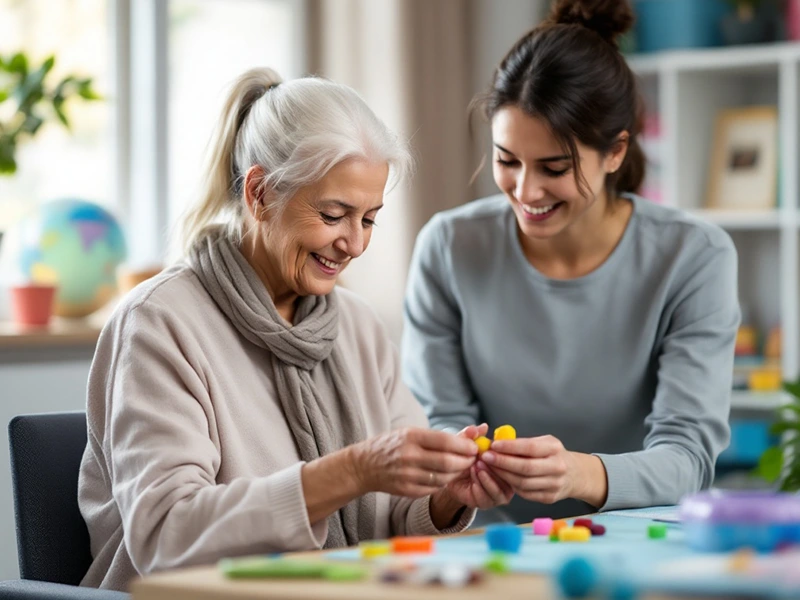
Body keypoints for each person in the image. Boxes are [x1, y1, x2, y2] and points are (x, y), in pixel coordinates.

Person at [78, 68, 513, 591]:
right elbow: (165, 534)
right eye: (334, 215)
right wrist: (350, 472)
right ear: (260, 193)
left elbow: (395, 517)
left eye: (369, 219)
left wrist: (446, 497)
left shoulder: (357, 326)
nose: (354, 244)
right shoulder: (158, 322)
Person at [402, 0, 740, 525]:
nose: (526, 190)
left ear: (615, 152)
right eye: (506, 161)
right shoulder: (447, 247)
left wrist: (578, 475)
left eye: (554, 167)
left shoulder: (693, 257)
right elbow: (440, 424)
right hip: (484, 547)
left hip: (631, 542)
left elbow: (687, 457)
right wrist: (459, 461)